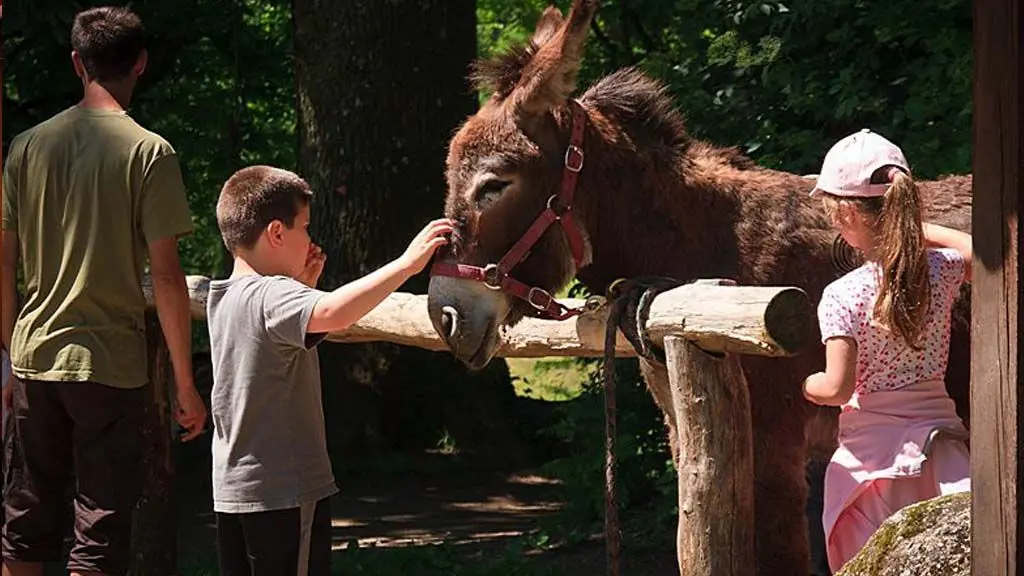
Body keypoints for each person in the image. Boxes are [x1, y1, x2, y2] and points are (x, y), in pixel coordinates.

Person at [1, 6, 207, 576]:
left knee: (25, 523)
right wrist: (186, 385)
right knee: (99, 529)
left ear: (76, 63)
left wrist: (11, 355)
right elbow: (167, 276)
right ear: (140, 63)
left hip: (35, 360)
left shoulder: (26, 147)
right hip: (109, 367)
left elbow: (5, 260)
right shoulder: (149, 152)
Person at [207, 165, 452, 575]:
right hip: (285, 490)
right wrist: (407, 265)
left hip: (235, 490)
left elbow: (281, 340)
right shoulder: (272, 294)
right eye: (304, 227)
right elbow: (334, 311)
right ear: (276, 233)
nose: (311, 238)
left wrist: (301, 286)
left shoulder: (223, 297)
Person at [801, 129, 973, 572]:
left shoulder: (842, 295)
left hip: (872, 470)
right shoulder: (941, 270)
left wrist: (807, 384)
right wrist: (914, 229)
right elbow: (980, 254)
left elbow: (837, 389)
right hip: (946, 456)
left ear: (844, 213)